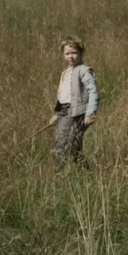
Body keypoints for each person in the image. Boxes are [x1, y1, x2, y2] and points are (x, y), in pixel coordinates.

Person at [48, 36, 99, 167]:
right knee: (74, 146)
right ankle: (85, 172)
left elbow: (93, 92)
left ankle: (59, 172)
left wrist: (90, 114)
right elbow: (64, 97)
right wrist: (57, 114)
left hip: (76, 112)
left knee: (62, 144)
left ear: (81, 53)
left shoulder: (83, 71)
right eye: (67, 53)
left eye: (74, 53)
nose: (70, 56)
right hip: (65, 111)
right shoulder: (65, 72)